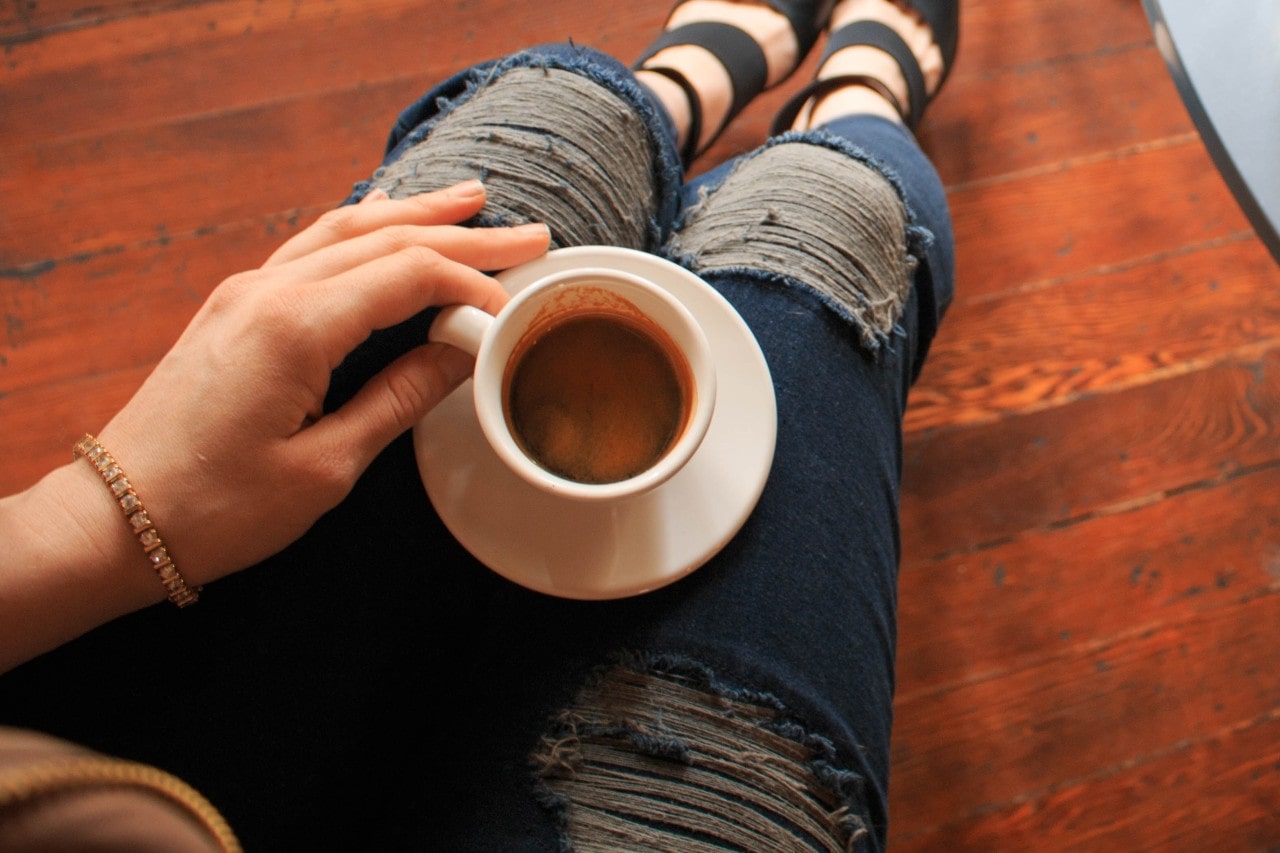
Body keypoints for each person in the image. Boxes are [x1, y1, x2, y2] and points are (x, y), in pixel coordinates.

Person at [0, 0, 957, 849]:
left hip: (89, 690)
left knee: (556, 135)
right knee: (835, 221)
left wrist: (100, 514)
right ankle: (858, 100)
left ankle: (683, 82)